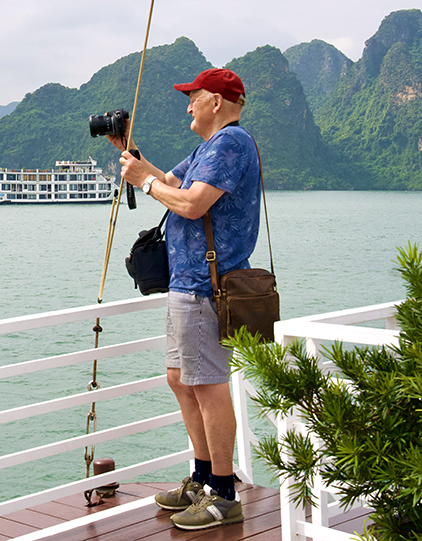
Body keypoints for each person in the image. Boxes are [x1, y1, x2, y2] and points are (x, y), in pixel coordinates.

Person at [109, 67, 260, 530]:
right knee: (181, 378)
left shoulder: (232, 143)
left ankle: (222, 492)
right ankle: (200, 477)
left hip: (206, 287)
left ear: (216, 101)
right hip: (186, 283)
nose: (187, 106)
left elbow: (192, 204)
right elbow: (171, 184)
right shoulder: (207, 148)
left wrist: (144, 183)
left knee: (207, 383)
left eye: (192, 97)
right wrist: (135, 161)